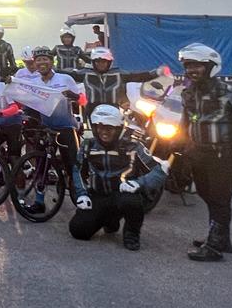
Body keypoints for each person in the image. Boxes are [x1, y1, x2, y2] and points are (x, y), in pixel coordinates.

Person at [178, 43, 232, 262]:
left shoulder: (230, 92)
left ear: (211, 66)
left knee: (220, 199)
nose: (192, 70)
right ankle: (223, 238)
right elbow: (185, 124)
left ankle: (214, 247)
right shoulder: (188, 94)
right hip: (199, 153)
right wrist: (183, 150)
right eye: (188, 66)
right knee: (207, 195)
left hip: (225, 154)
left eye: (197, 66)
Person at [69, 104, 168, 251]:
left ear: (118, 127)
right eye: (99, 127)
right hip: (98, 195)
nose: (104, 132)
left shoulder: (133, 145)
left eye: (109, 128)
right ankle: (110, 220)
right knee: (78, 230)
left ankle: (131, 234)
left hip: (123, 195)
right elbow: (77, 171)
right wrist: (82, 195)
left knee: (131, 201)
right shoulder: (88, 146)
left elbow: (160, 171)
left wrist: (139, 183)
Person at [66, 47, 165, 119]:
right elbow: (68, 74)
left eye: (104, 61)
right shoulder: (86, 74)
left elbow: (138, 76)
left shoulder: (118, 74)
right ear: (93, 62)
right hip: (92, 111)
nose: (101, 64)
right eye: (98, 61)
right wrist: (51, 71)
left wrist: (156, 73)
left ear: (109, 62)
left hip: (114, 110)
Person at [28, 47, 82, 179]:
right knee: (41, 169)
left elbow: (83, 100)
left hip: (66, 128)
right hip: (46, 129)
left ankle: (77, 191)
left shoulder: (65, 79)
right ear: (35, 64)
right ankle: (40, 198)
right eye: (38, 60)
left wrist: (74, 96)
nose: (41, 63)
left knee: (73, 166)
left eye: (45, 59)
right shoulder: (33, 83)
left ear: (51, 62)